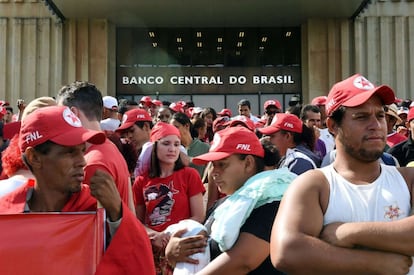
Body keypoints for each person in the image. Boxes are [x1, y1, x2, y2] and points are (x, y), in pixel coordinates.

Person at [270, 73, 414, 274]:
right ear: (332, 126)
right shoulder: (315, 185)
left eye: (380, 115)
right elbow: (287, 250)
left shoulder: (408, 179)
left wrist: (348, 232)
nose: (376, 125)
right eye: (361, 117)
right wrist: (376, 263)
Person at [0, 105, 155, 274]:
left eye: (82, 150)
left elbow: (139, 265)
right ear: (34, 158)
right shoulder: (6, 213)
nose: (82, 161)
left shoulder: (98, 209)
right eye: (69, 152)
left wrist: (118, 214)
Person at [165, 126, 296, 274]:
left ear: (248, 163)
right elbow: (204, 246)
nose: (214, 172)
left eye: (222, 164)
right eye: (212, 165)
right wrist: (173, 251)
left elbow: (243, 261)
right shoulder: (223, 205)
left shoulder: (273, 203)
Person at [133, 122, 205, 274]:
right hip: (151, 251)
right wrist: (155, 236)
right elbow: (137, 221)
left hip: (181, 249)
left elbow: (198, 216)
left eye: (177, 144)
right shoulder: (141, 181)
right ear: (154, 146)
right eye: (166, 143)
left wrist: (171, 235)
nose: (172, 149)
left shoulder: (189, 175)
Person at [56, 81, 135, 214]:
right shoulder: (110, 148)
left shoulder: (91, 164)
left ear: (73, 114)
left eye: (60, 116)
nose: (59, 123)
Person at [170, 112, 210, 178]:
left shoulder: (205, 148)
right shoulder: (172, 149)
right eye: (171, 129)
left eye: (176, 127)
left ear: (187, 126)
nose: (173, 131)